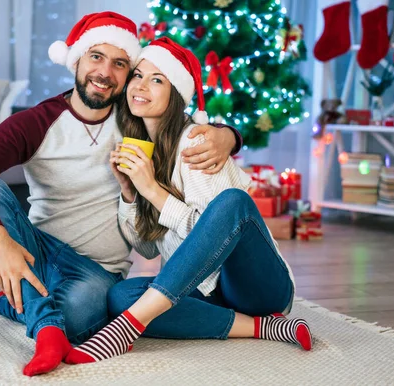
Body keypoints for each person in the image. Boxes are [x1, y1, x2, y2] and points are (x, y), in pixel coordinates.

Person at [0, 12, 241, 377]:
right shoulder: (38, 121)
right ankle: (46, 330)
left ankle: (7, 304)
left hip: (97, 273)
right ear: (77, 59)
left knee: (82, 319)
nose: (105, 72)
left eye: (119, 64)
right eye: (96, 56)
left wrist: (228, 136)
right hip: (39, 252)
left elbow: (182, 120)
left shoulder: (136, 117)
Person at [65, 37, 312, 365]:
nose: (141, 86)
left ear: (175, 94)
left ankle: (130, 325)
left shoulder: (198, 141)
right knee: (120, 295)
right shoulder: (141, 147)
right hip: (205, 293)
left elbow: (219, 233)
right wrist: (128, 191)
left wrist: (152, 189)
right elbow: (149, 249)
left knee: (232, 201)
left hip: (256, 287)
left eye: (157, 80)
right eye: (138, 75)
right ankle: (262, 328)